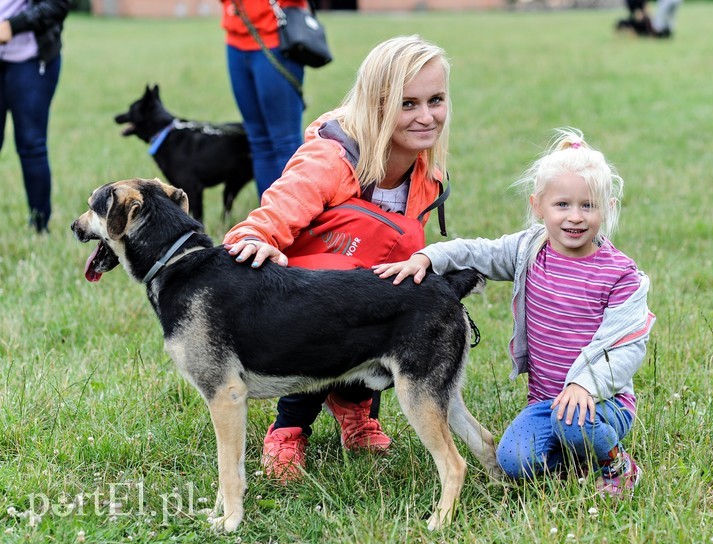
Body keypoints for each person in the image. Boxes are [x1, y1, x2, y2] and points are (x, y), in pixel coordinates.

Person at [374, 128, 655, 497]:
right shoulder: (530, 250)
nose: (575, 217)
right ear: (538, 205)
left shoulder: (620, 275)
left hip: (602, 401)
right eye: (562, 205)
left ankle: (615, 462)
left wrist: (585, 384)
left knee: (572, 423)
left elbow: (627, 347)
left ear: (609, 208)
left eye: (588, 206)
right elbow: (477, 252)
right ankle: (577, 464)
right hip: (546, 402)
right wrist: (430, 256)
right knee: (515, 461)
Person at [224, 35, 452, 482]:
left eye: (436, 100)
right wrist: (256, 236)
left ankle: (357, 408)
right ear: (376, 105)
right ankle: (288, 427)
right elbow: (279, 207)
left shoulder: (428, 172)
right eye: (408, 104)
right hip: (305, 298)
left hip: (363, 292)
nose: (426, 117)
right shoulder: (333, 156)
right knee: (329, 309)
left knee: (395, 302)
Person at [220, 0, 308, 197]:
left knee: (285, 141)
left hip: (275, 38)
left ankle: (297, 217)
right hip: (236, 38)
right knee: (258, 140)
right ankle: (269, 219)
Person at [0, 0, 70, 233]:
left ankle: (39, 226)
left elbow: (56, 5)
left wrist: (13, 25)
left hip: (30, 61)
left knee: (31, 144)